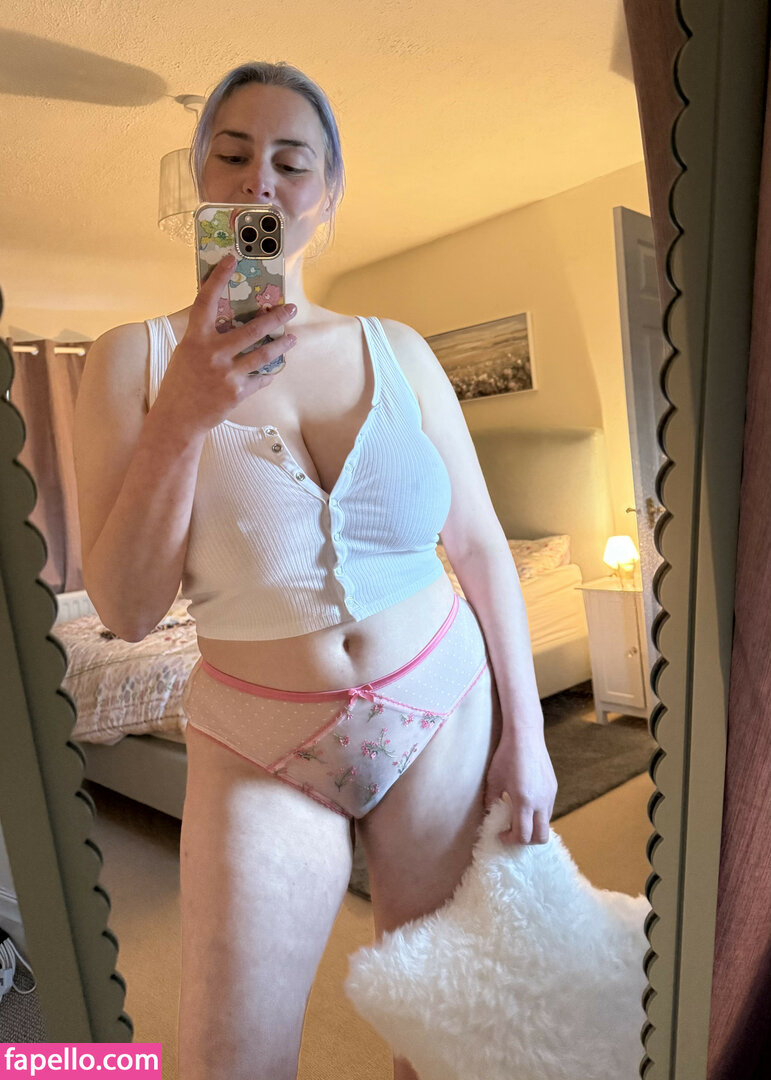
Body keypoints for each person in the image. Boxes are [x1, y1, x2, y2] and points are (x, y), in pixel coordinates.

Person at [73, 61, 558, 1080]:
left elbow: (478, 546)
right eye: (233, 154)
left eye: (292, 162)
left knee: (443, 1040)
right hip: (258, 739)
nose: (260, 179)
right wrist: (183, 413)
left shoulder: (400, 350)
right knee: (230, 1059)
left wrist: (528, 735)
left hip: (442, 706)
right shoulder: (133, 357)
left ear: (326, 195)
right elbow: (125, 608)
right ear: (199, 182)